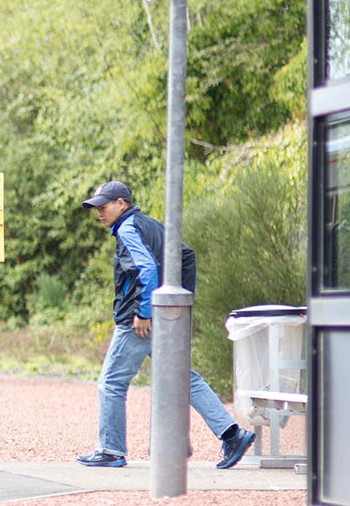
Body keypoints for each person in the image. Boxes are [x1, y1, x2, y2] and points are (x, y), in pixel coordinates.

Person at [76, 180, 257, 469]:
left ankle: (111, 449)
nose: (99, 212)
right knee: (184, 378)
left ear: (121, 204)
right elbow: (186, 255)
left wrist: (144, 311)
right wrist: (176, 306)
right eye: (96, 207)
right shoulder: (151, 225)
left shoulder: (127, 228)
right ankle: (232, 434)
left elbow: (146, 268)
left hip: (138, 322)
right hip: (164, 317)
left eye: (103, 205)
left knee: (111, 383)